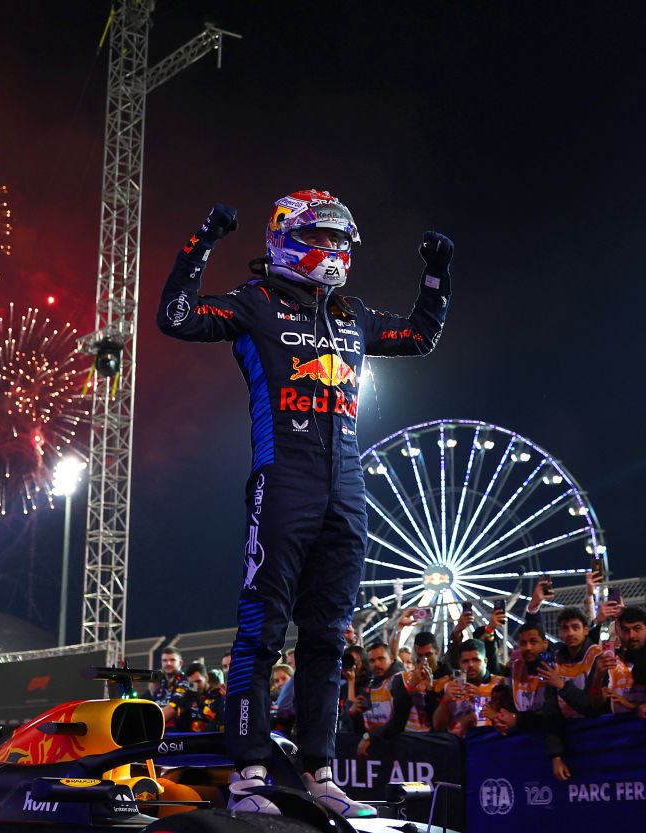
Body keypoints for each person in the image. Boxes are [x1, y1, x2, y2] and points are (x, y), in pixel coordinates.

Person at [157, 192, 453, 818]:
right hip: (282, 480)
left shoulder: (353, 316)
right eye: (327, 238)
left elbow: (422, 336)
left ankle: (319, 768)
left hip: (347, 489)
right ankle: (250, 768)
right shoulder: (255, 302)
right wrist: (201, 241)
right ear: (290, 238)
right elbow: (177, 317)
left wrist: (436, 275)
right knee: (263, 630)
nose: (339, 252)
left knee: (328, 638)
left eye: (346, 242)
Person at [590, 607, 646, 714]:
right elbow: (596, 704)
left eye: (637, 629)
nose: (631, 636)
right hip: (619, 729)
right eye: (626, 630)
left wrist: (632, 706)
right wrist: (598, 676)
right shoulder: (610, 661)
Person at [433, 640, 505, 735]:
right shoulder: (449, 686)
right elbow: (437, 726)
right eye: (465, 661)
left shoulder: (500, 684)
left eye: (476, 660)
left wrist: (479, 702)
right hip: (455, 744)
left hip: (488, 742)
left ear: (485, 661)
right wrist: (445, 701)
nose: (470, 665)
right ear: (459, 664)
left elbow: (506, 724)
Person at [152, 647, 186, 729]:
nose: (168, 663)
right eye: (164, 660)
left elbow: (171, 710)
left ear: (180, 663)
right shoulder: (161, 681)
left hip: (175, 735)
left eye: (172, 660)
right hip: (159, 732)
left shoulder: (184, 681)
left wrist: (145, 723)